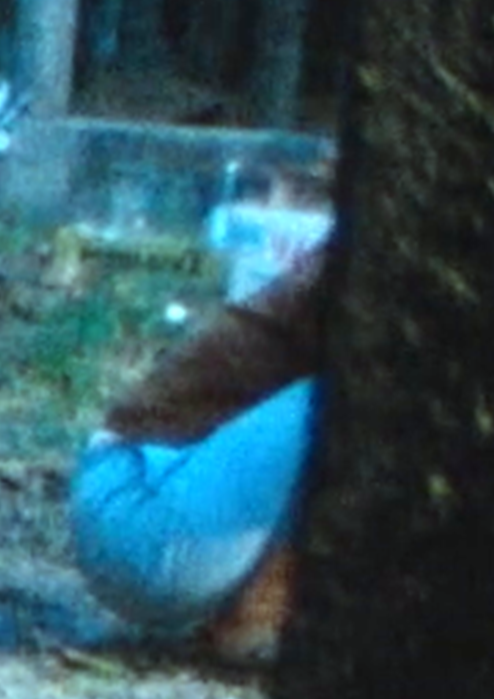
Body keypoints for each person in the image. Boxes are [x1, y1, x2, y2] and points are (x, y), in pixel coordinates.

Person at [71, 240, 329, 663]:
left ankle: (258, 608)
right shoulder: (373, 267)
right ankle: (259, 614)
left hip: (169, 521)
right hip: (138, 508)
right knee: (359, 389)